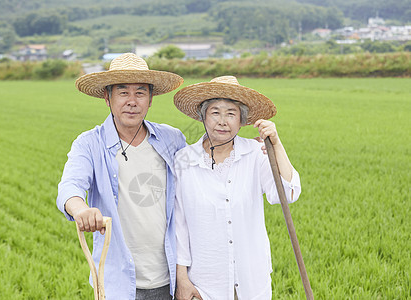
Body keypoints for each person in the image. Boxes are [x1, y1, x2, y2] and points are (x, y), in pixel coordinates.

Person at [56, 53, 186, 299]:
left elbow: (201, 174)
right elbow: (70, 187)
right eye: (123, 92)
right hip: (116, 282)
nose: (132, 101)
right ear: (108, 97)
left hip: (168, 278)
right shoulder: (89, 144)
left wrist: (249, 149)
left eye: (140, 92)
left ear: (150, 99)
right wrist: (81, 210)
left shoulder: (173, 139)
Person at [173, 76, 302, 300]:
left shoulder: (255, 153)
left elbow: (288, 193)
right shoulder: (184, 160)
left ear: (241, 120)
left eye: (231, 113)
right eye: (215, 112)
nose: (222, 121)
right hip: (204, 284)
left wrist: (276, 144)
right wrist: (182, 280)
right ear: (203, 116)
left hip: (251, 280)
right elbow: (179, 226)